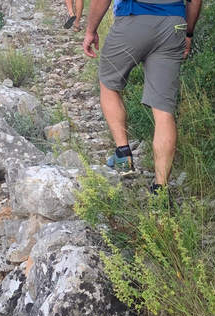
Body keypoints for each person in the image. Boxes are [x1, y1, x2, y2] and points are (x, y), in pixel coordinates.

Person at [83, 0, 202, 194]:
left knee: (108, 82)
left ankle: (123, 154)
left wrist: (91, 30)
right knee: (164, 110)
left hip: (134, 18)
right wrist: (188, 33)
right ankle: (160, 189)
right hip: (174, 24)